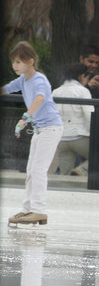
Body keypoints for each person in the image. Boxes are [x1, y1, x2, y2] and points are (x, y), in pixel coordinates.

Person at [3, 41, 63, 225]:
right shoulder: (23, 79)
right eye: (13, 62)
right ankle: (28, 209)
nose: (15, 66)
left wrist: (25, 117)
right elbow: (7, 89)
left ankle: (39, 210)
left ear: (31, 61)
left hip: (51, 128)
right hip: (39, 130)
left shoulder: (39, 79)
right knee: (30, 170)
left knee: (38, 170)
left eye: (19, 62)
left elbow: (40, 98)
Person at [49, 63, 95, 176]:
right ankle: (81, 170)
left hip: (61, 138)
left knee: (64, 174)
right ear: (82, 76)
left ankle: (63, 191)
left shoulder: (56, 91)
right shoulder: (83, 91)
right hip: (78, 136)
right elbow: (90, 117)